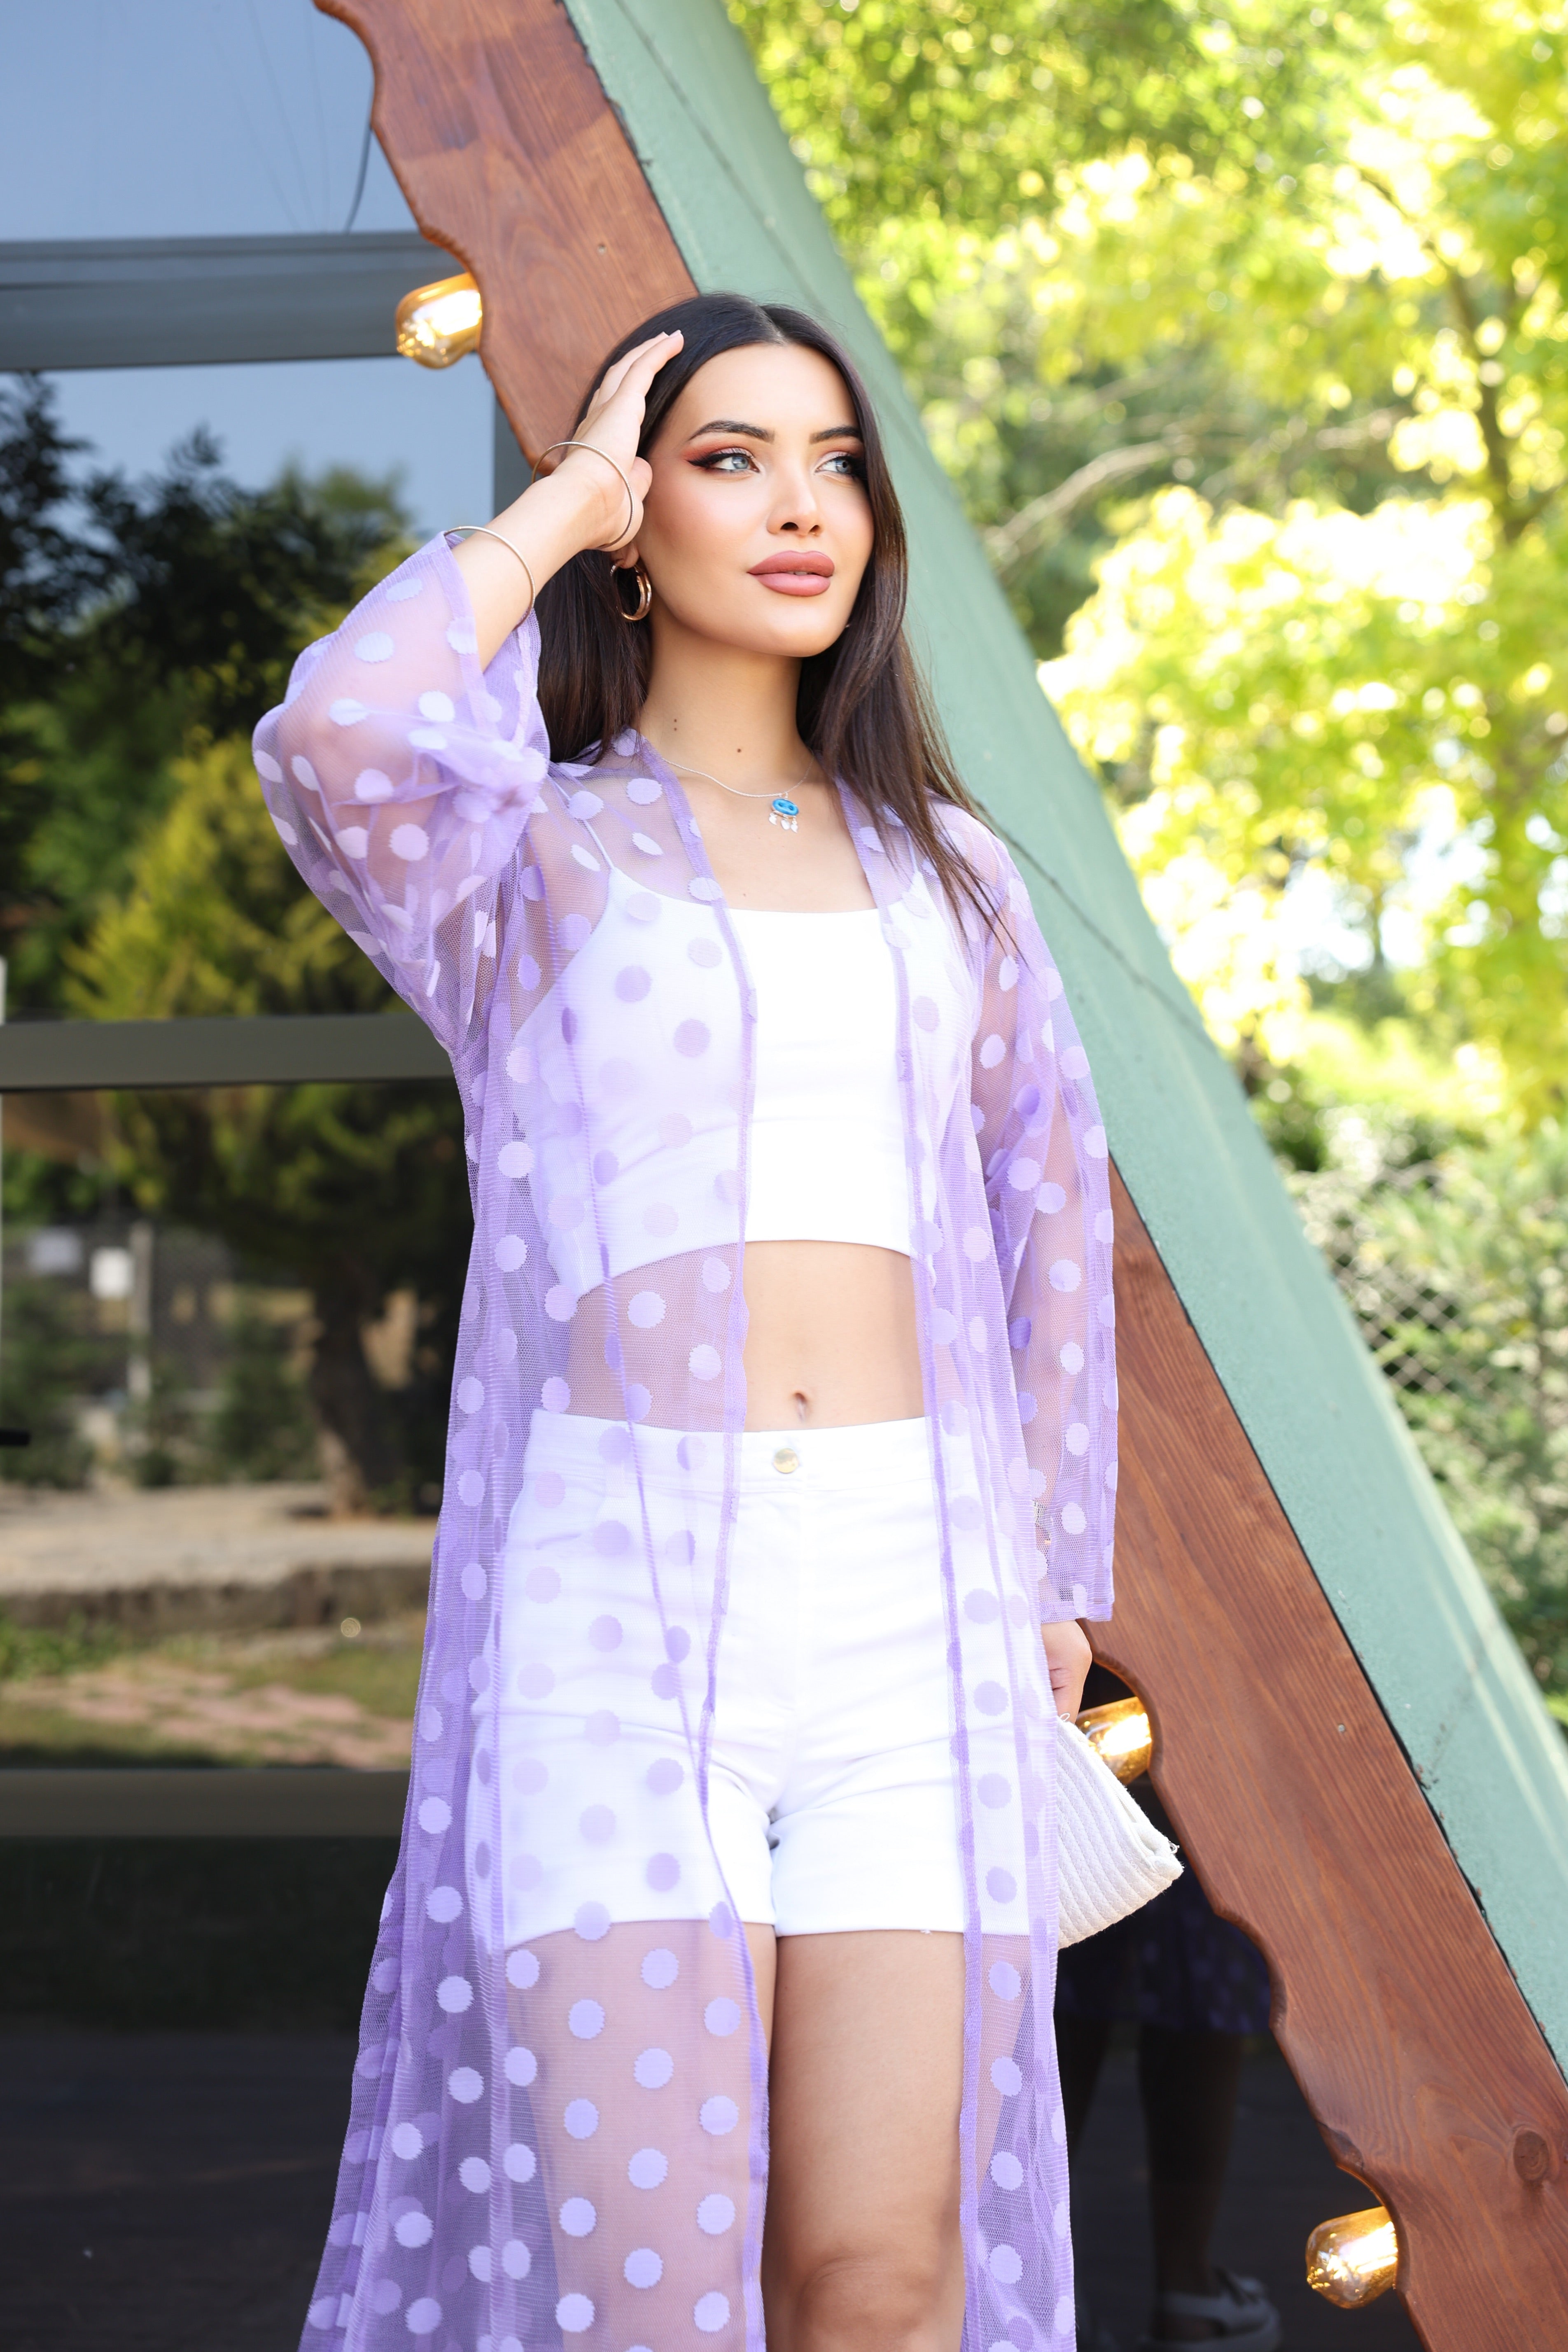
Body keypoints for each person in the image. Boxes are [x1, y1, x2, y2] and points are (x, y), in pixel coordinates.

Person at [254, 290, 1118, 2352]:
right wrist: (564, 496)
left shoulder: (955, 876)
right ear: (641, 515)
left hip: (911, 1610)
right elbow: (340, 730)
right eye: (732, 459)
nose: (803, 506)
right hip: (613, 1619)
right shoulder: (522, 850)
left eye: (837, 465)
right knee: (649, 2297)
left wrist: (1053, 1582)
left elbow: (1051, 1223)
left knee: (882, 2280)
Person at [1057, 1673, 1280, 2352]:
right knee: (1195, 1964)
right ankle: (1183, 2288)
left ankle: (1037, 2278)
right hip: (1205, 1700)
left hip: (1082, 1695)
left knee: (1063, 1969)